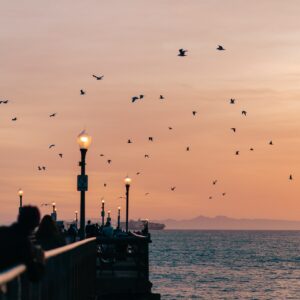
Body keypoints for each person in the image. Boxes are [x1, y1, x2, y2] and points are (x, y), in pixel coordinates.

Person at [0, 206, 44, 281]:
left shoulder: (2, 231)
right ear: (34, 224)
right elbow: (34, 276)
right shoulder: (23, 243)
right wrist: (40, 261)